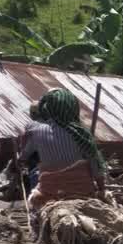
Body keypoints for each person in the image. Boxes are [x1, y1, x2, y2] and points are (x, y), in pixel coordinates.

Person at [21, 89, 108, 236]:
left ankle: (37, 234)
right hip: (81, 192)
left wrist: (20, 160)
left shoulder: (36, 131)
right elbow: (95, 165)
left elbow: (23, 156)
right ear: (72, 107)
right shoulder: (80, 133)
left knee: (34, 206)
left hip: (48, 192)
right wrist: (102, 189)